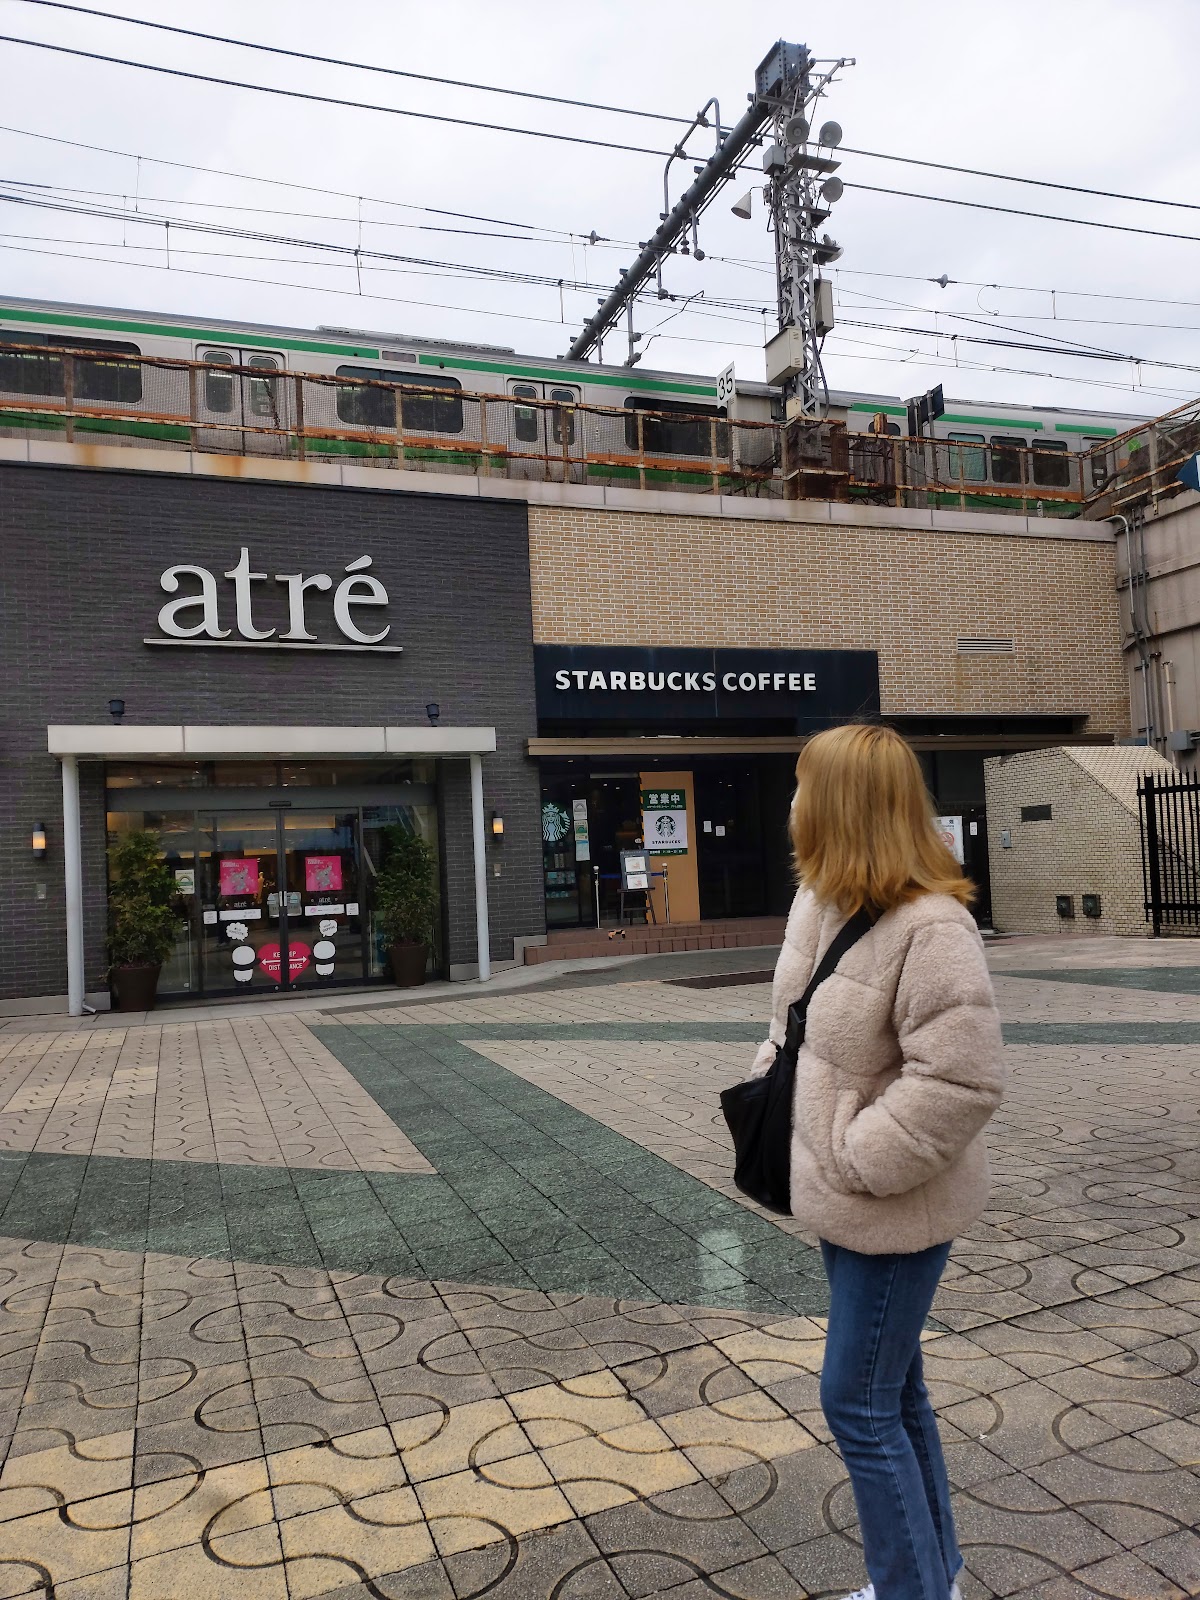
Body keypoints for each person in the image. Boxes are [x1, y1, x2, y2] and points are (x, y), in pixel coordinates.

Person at [749, 723, 1005, 1600]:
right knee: (891, 1393)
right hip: (837, 1191)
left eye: (801, 786)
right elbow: (792, 1029)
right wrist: (774, 1101)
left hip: (894, 1203)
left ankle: (912, 1590)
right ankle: (935, 1576)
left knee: (855, 1402)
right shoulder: (821, 902)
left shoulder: (932, 927)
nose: (790, 803)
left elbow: (963, 1083)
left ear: (842, 804)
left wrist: (859, 1156)